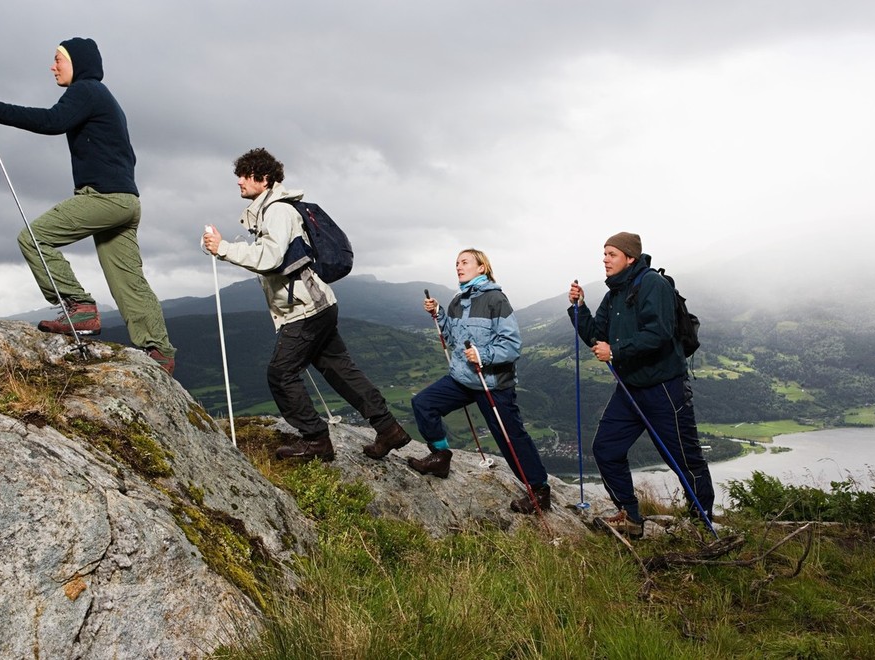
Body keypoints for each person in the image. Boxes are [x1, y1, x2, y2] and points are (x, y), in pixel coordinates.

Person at [0, 38, 176, 374]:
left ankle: (80, 307)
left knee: (33, 237)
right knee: (128, 279)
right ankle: (160, 354)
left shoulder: (86, 90)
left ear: (77, 63)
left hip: (104, 198)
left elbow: (52, 121)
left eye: (58, 59)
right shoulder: (103, 97)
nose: (53, 66)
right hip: (125, 200)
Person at [202, 148, 411, 461]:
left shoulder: (277, 211)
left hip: (306, 308)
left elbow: (269, 258)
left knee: (281, 374)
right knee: (340, 370)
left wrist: (224, 249)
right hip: (317, 303)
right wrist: (223, 248)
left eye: (245, 175)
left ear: (263, 178)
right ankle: (389, 428)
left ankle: (316, 441)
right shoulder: (271, 210)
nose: (239, 182)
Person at [568, 232, 714, 537]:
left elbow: (659, 333)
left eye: (611, 254)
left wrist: (616, 351)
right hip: (630, 388)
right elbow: (597, 336)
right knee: (606, 448)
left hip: (664, 388)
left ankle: (701, 525)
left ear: (630, 257)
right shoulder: (614, 294)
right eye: (604, 254)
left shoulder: (652, 284)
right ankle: (630, 517)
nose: (605, 259)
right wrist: (579, 308)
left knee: (686, 460)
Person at [406, 249, 551, 514]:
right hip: (463, 378)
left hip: (492, 382)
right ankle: (440, 456)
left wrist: (483, 355)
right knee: (423, 403)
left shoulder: (496, 299)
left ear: (481, 267)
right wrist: (438, 313)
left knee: (510, 437)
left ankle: (539, 491)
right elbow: (451, 337)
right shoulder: (456, 301)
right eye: (457, 263)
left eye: (465, 262)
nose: (459, 267)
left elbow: (512, 344)